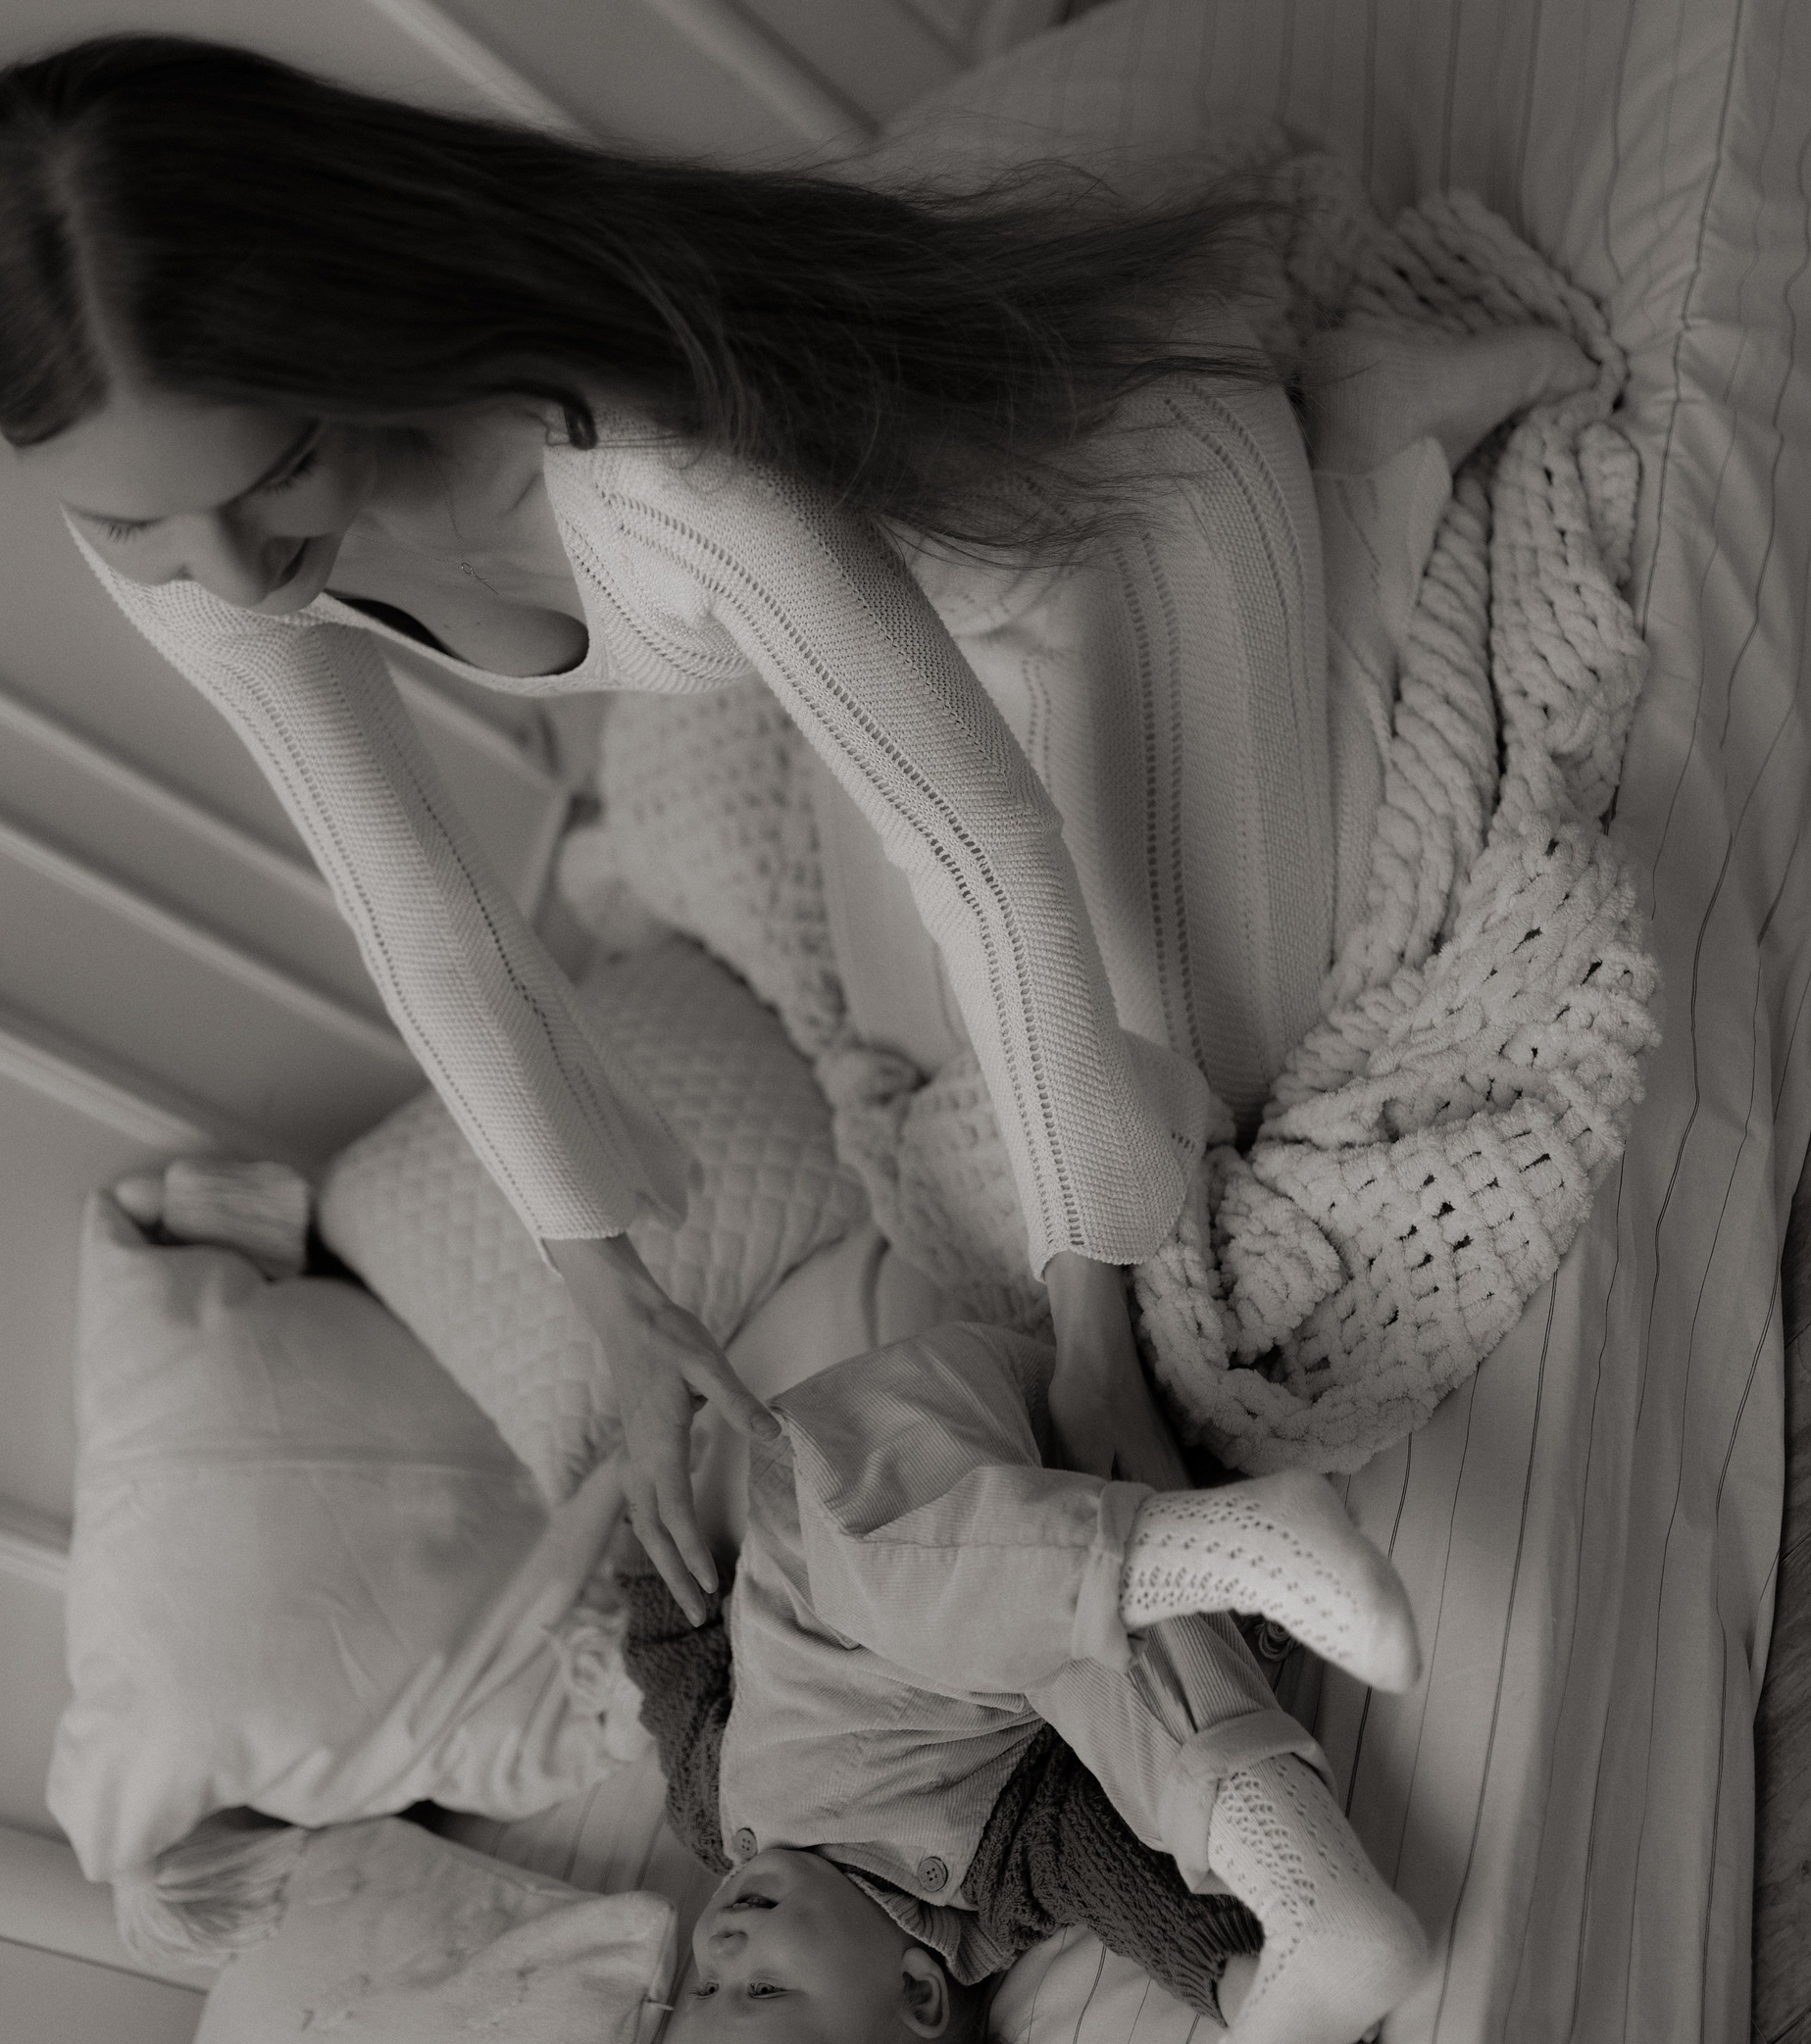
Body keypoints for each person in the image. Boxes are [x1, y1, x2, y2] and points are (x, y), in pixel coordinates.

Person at [0, 35, 1596, 1612]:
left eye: (279, 466)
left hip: (1109, 524)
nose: (224, 575)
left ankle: (1352, 439)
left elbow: (985, 857)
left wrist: (1100, 1349)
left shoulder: (657, 468)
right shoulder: (193, 540)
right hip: (911, 642)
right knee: (960, 1140)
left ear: (359, 323)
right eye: (132, 523)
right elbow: (411, 903)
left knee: (1199, 1102)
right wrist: (613, 1300)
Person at [617, 1318, 1430, 2044]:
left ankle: (1206, 1552)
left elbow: (672, 1659)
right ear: (917, 1990)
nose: (720, 1947)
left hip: (889, 1461)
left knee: (911, 1596)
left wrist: (645, 1528)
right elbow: (1126, 1891)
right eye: (762, 1988)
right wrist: (1232, 1984)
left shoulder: (713, 1808)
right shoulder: (1001, 1872)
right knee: (1100, 1683)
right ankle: (1312, 1890)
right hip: (1065, 1487)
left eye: (705, 1986)